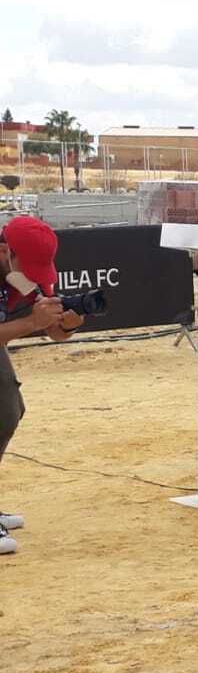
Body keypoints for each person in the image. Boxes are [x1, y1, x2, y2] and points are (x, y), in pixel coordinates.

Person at [0, 216, 84, 554]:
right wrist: (31, 322)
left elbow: (56, 333)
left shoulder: (32, 272)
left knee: (7, 411)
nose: (36, 278)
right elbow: (33, 323)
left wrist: (68, 325)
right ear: (6, 252)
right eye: (30, 268)